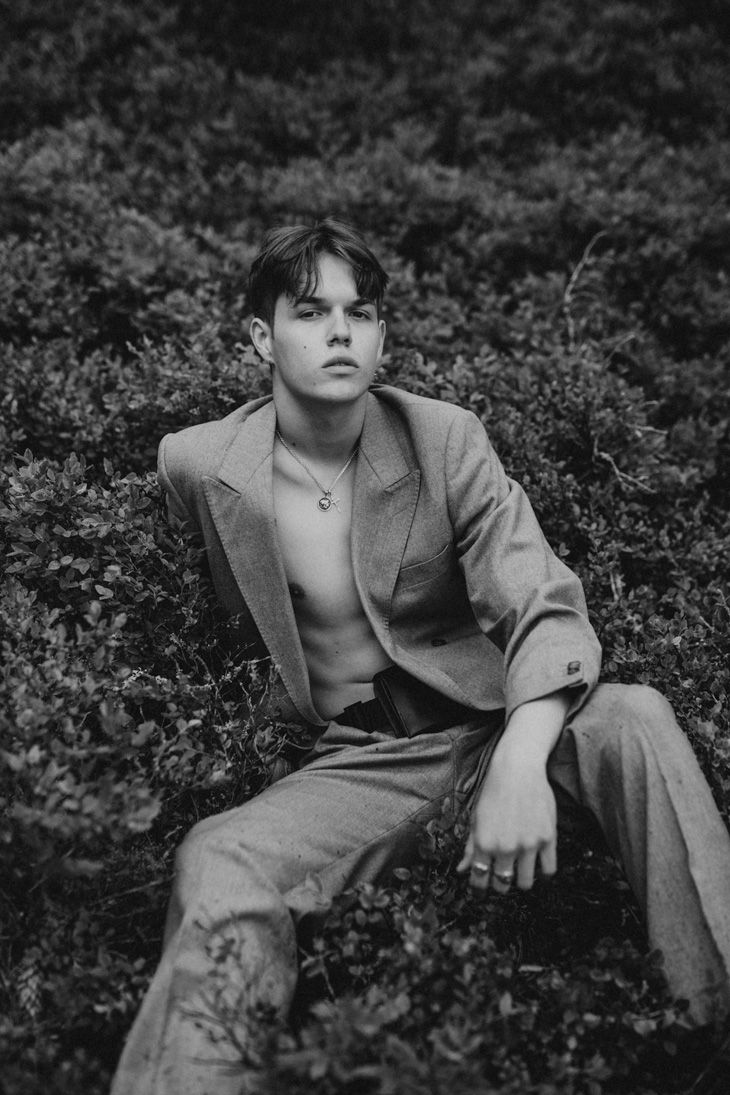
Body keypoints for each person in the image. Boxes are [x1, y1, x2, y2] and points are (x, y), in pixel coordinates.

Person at [112, 219, 730, 1095]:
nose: (339, 331)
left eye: (360, 313)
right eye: (312, 310)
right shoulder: (199, 466)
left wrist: (521, 752)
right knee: (221, 855)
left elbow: (540, 599)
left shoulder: (443, 439)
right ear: (260, 336)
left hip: (494, 720)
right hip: (363, 760)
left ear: (382, 336)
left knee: (636, 717)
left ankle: (714, 1025)